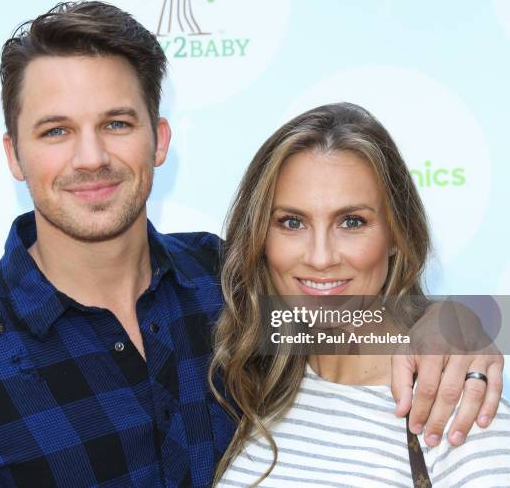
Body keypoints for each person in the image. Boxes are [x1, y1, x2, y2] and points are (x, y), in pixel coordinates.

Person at [0, 2, 503, 487]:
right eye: (56, 131)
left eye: (117, 123)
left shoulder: (228, 286)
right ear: (13, 154)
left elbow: (349, 321)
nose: (91, 158)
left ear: (159, 140)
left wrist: (459, 322)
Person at [211, 102, 510, 486]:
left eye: (352, 222)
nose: (320, 257)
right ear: (260, 239)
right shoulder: (254, 385)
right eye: (291, 222)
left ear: (397, 235)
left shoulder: (456, 409)